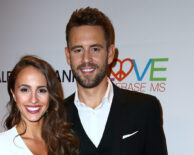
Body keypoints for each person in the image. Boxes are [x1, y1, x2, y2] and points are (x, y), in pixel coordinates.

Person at [64, 7, 168, 155]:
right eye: (78, 50)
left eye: (95, 49)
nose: (86, 59)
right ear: (68, 56)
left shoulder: (145, 109)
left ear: (111, 53)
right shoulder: (54, 117)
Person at [0, 55, 79, 155]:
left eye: (41, 90)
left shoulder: (62, 143)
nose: (33, 99)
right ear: (14, 94)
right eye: (25, 90)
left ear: (50, 95)